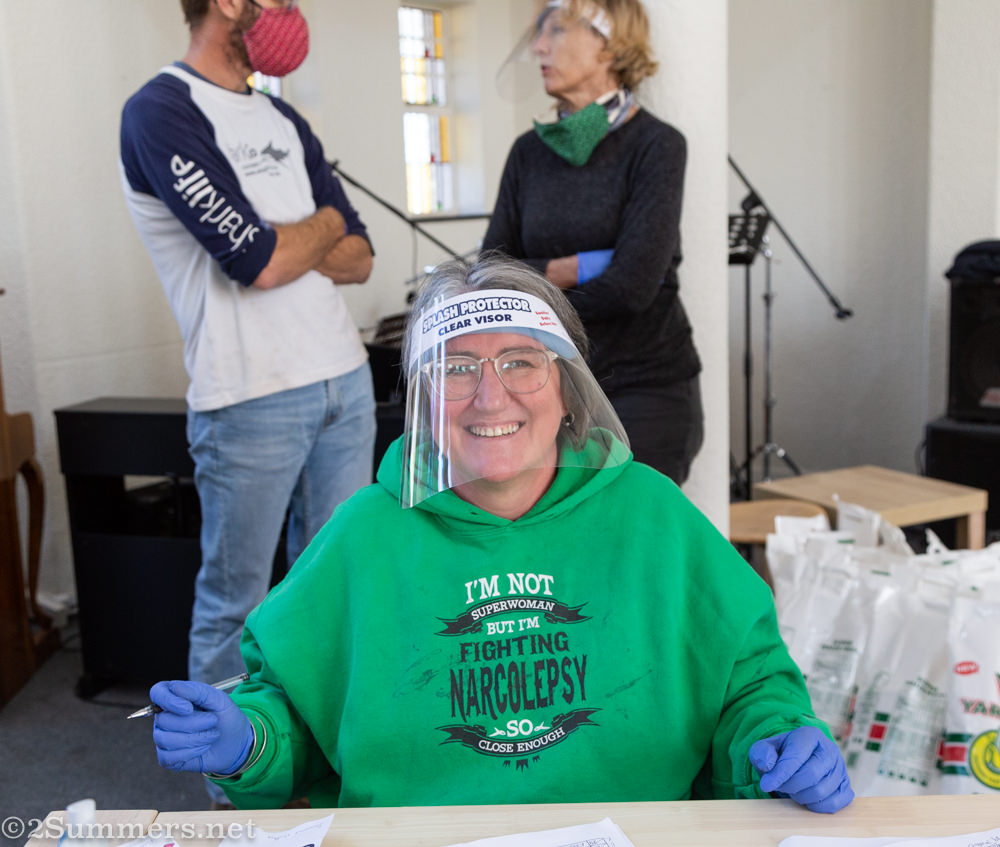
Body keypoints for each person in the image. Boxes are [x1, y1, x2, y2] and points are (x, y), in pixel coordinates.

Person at [146, 256, 853, 815]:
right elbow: (294, 717)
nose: (491, 396)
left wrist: (777, 738)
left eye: (521, 360)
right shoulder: (365, 534)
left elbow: (749, 685)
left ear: (567, 385)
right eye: (456, 368)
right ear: (422, 400)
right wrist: (247, 740)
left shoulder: (653, 516)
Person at [119, 0, 377, 773]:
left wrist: (305, 233)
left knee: (335, 588)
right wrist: (317, 224)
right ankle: (227, 788)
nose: (290, 11)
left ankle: (316, 759)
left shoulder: (281, 118)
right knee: (237, 607)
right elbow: (258, 262)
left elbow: (361, 255)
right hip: (250, 397)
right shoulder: (161, 111)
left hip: (344, 379)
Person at [482, 0, 703, 485]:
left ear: (608, 45)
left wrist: (535, 277)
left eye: (555, 31)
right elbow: (492, 274)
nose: (539, 46)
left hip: (644, 386)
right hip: (552, 388)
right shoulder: (528, 152)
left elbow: (631, 288)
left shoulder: (656, 146)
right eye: (539, 34)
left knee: (631, 545)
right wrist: (578, 266)